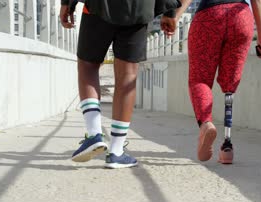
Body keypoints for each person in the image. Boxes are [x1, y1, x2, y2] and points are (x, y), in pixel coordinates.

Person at [60, 0, 181, 169]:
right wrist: (170, 12)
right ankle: (116, 151)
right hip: (139, 9)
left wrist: (67, 3)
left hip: (97, 7)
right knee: (128, 75)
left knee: (88, 66)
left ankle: (94, 134)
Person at [161, 0, 261, 164]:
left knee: (199, 79)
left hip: (209, 16)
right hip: (241, 17)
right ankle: (227, 147)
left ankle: (206, 124)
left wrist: (175, 16)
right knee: (230, 82)